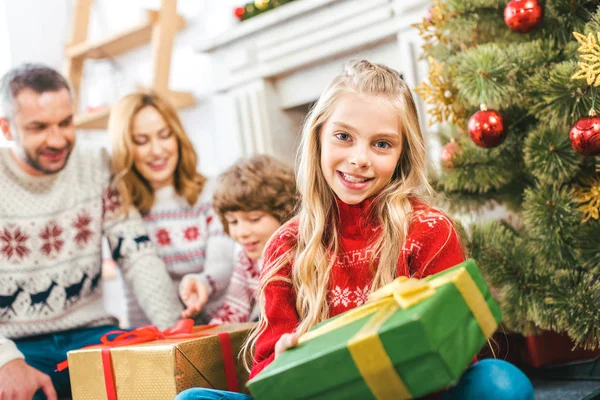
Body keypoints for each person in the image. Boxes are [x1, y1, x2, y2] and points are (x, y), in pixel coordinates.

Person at [175, 60, 533, 400]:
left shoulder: (429, 230)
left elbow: (456, 354)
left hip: (415, 393)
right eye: (344, 136)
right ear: (318, 138)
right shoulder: (285, 245)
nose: (360, 158)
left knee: (500, 383)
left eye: (381, 144)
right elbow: (266, 375)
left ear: (401, 155)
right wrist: (284, 360)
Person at [0, 64, 184, 400]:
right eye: (39, 127)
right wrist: (3, 361)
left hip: (92, 334)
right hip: (17, 345)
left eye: (65, 123)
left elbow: (137, 252)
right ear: (7, 128)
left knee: (158, 383)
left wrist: (174, 334)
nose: (57, 139)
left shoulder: (97, 165)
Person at [108, 91, 236, 326]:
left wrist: (202, 283)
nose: (157, 150)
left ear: (177, 137)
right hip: (164, 335)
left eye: (164, 135)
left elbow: (224, 261)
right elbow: (135, 296)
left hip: (223, 324)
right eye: (141, 141)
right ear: (125, 148)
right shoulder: (123, 214)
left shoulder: (212, 192)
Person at [182, 154, 298, 325]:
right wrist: (208, 339)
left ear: (283, 213)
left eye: (254, 219)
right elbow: (235, 309)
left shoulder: (301, 252)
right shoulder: (246, 262)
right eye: (233, 221)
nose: (242, 232)